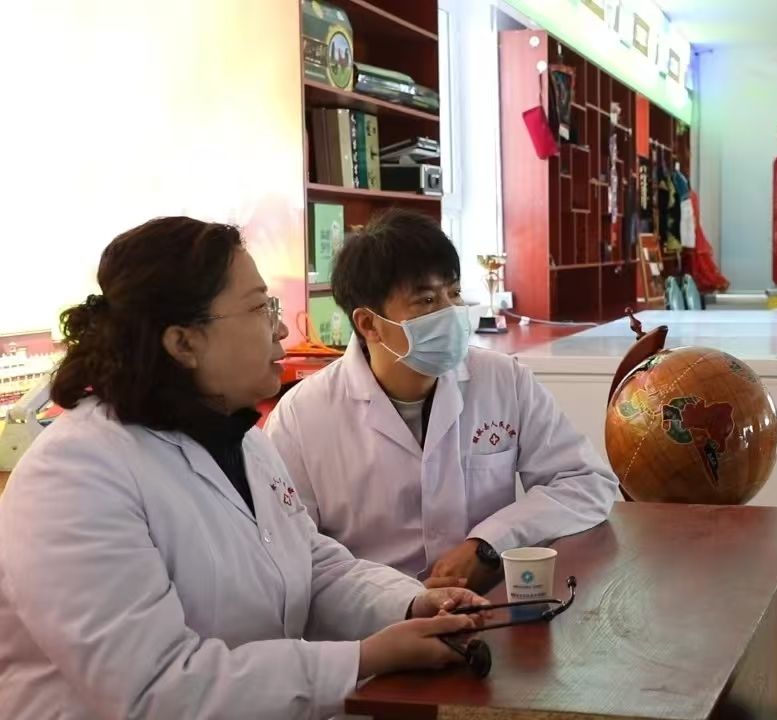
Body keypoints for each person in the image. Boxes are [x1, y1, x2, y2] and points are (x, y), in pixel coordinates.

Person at [0, 217, 491, 718]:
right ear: (183, 343)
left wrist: (408, 604)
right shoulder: (73, 477)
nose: (281, 327)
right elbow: (156, 691)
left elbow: (312, 566)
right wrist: (361, 659)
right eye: (260, 308)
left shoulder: (239, 439)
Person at [265, 209, 617, 591]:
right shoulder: (301, 418)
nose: (450, 313)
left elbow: (586, 482)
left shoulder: (503, 380)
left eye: (454, 293)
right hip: (372, 619)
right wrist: (399, 601)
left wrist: (490, 543)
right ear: (369, 324)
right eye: (427, 300)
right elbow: (292, 552)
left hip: (489, 604)